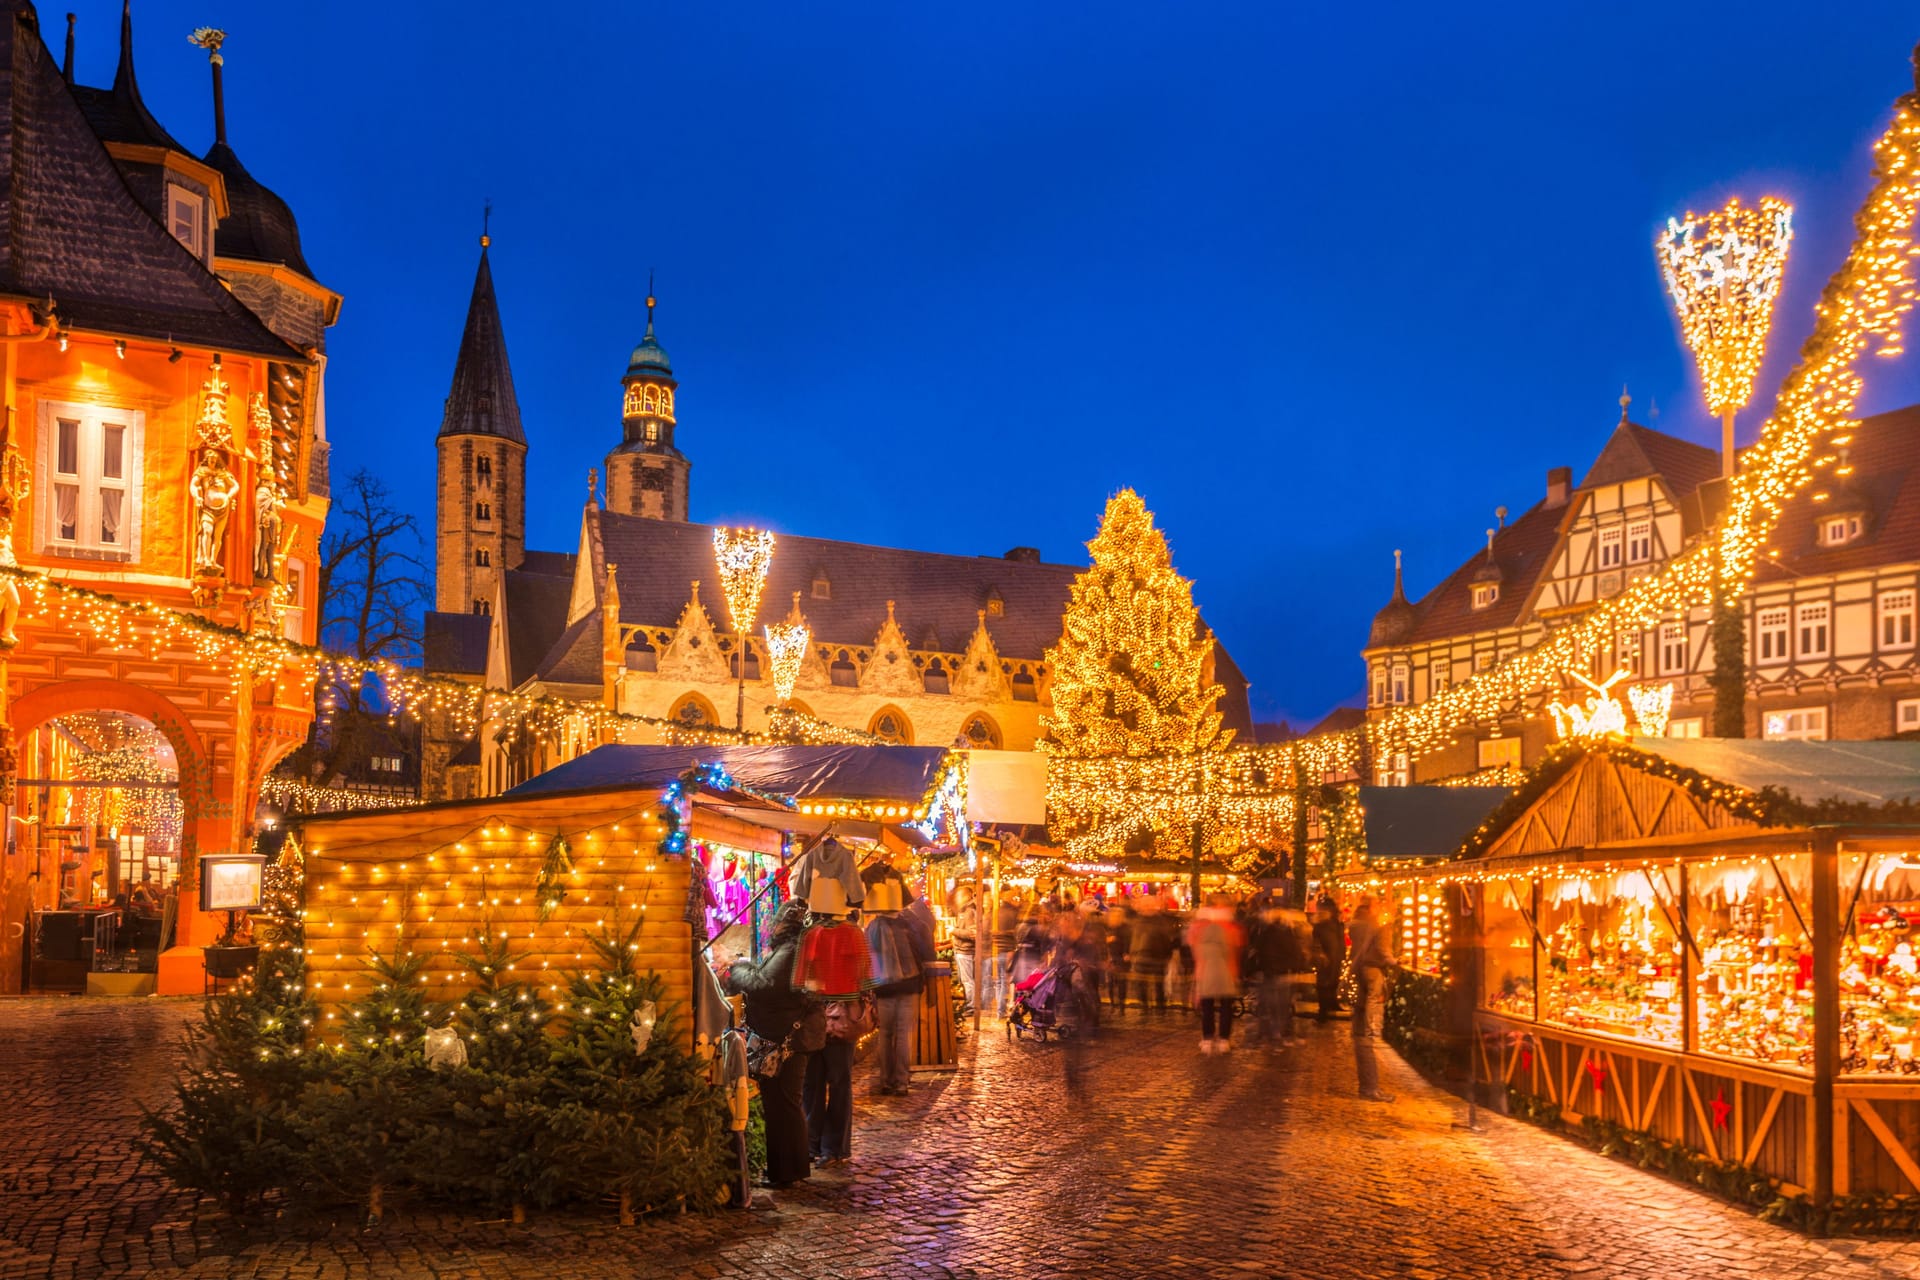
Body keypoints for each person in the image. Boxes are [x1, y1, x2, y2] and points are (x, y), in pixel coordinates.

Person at [725, 899, 817, 1188]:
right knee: (784, 1104)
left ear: (783, 925)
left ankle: (785, 1172)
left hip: (784, 1041)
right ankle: (789, 1169)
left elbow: (764, 985)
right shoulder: (793, 949)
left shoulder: (790, 950)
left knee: (783, 1105)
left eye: (775, 922)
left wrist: (737, 968)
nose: (771, 927)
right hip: (785, 1038)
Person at [794, 880, 869, 1168]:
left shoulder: (843, 936)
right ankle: (824, 1146)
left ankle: (826, 1146)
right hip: (824, 1019)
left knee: (827, 1082)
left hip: (830, 1019)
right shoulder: (816, 935)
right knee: (827, 1082)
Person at [864, 881, 934, 1096]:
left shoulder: (873, 926)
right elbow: (926, 949)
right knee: (904, 1034)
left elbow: (867, 958)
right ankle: (902, 1082)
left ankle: (886, 1080)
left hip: (884, 988)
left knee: (885, 1033)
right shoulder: (910, 923)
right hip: (910, 985)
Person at [1347, 897, 1398, 1101]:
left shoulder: (1355, 924)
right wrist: (1395, 962)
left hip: (1358, 972)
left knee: (1361, 1032)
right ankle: (1370, 1087)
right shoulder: (1377, 926)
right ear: (1372, 907)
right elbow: (1384, 952)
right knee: (1368, 1033)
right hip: (1373, 972)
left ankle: (1368, 1086)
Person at [1187, 894, 1245, 1054]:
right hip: (1228, 971)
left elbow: (1193, 950)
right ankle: (1224, 1039)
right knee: (1226, 1006)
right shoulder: (1232, 928)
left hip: (1204, 971)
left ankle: (1207, 1039)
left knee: (1207, 1007)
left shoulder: (1197, 927)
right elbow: (1237, 951)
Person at [1248, 903, 1308, 1046]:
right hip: (1284, 973)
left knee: (1271, 1004)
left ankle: (1271, 1033)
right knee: (1283, 1005)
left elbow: (1258, 952)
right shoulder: (1288, 933)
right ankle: (1281, 1033)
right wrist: (1297, 969)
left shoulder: (1265, 933)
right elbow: (1295, 954)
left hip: (1270, 973)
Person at [1128, 898, 1175, 1013]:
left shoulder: (1161, 921)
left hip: (1157, 956)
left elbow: (1167, 939)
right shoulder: (1137, 921)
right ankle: (1144, 1006)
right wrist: (1132, 952)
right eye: (1145, 905)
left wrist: (1167, 954)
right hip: (1141, 956)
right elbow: (1134, 938)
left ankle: (1160, 1006)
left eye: (1149, 905)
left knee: (1159, 984)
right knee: (1141, 984)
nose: (1147, 907)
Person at [1311, 899, 1347, 1023]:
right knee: (1324, 984)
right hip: (1326, 958)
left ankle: (1331, 1004)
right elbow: (1316, 942)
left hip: (1334, 956)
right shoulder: (1321, 924)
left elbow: (1339, 940)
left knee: (1332, 982)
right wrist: (1320, 954)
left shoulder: (1335, 923)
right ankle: (1323, 1011)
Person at [949, 885, 979, 1016]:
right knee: (967, 980)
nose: (957, 898)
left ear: (966, 896)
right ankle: (971, 1004)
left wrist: (953, 931)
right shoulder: (965, 910)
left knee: (968, 980)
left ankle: (971, 1006)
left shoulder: (969, 912)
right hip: (963, 950)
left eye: (959, 896)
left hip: (966, 951)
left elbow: (973, 934)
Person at [990, 891, 1020, 1017]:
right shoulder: (1014, 913)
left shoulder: (995, 913)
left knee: (999, 981)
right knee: (1005, 981)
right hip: (1008, 950)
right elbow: (1017, 933)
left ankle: (1000, 1011)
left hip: (996, 949)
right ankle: (1002, 1010)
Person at [1106, 903, 1133, 1008]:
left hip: (1121, 958)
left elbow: (1128, 942)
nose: (1114, 918)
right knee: (1111, 982)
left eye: (1117, 916)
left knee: (1122, 982)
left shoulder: (1125, 929)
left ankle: (1121, 1003)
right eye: (1113, 916)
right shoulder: (1109, 928)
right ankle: (1112, 1002)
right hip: (1111, 957)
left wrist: (1126, 953)